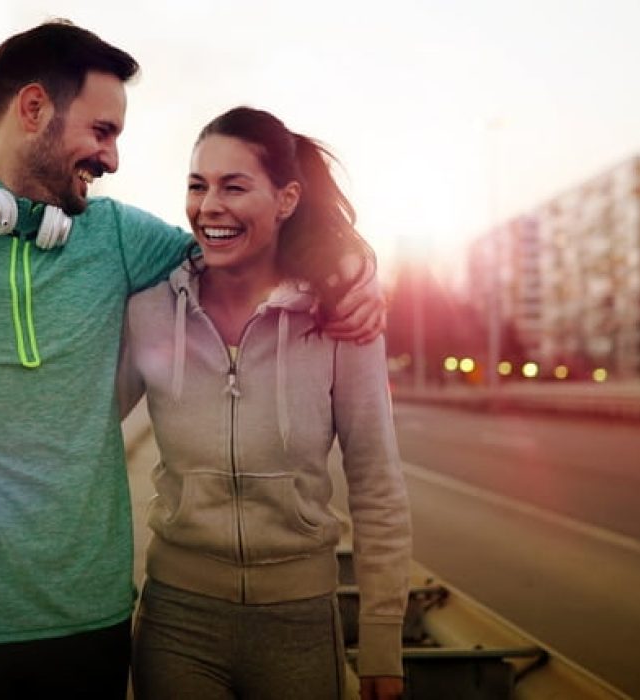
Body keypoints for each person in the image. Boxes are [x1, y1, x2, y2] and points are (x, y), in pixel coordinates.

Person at [0, 21, 385, 700]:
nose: (112, 159)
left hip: (92, 623)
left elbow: (243, 245)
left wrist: (353, 259)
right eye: (102, 132)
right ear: (33, 110)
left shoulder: (117, 236)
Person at [118, 106, 411, 700]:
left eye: (234, 186)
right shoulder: (150, 308)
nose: (208, 206)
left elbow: (376, 480)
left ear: (286, 199)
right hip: (178, 623)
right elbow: (77, 423)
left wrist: (382, 636)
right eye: (197, 186)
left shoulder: (339, 316)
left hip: (300, 625)